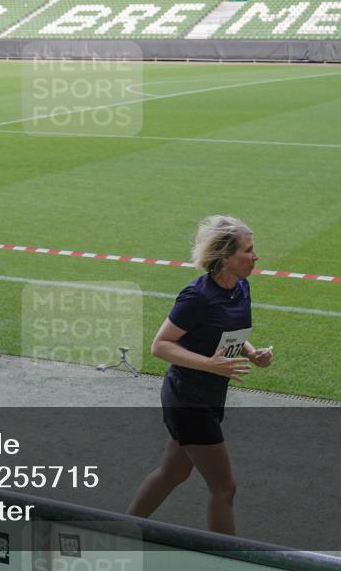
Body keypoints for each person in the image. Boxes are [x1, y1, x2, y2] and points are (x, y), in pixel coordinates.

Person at [127, 215, 273, 534]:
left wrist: (252, 352)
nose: (255, 256)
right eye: (248, 250)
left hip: (209, 393)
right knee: (224, 488)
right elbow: (160, 345)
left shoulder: (241, 287)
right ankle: (224, 558)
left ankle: (121, 528)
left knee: (173, 472)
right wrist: (210, 364)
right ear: (225, 257)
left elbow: (229, 331)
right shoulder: (197, 296)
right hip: (187, 398)